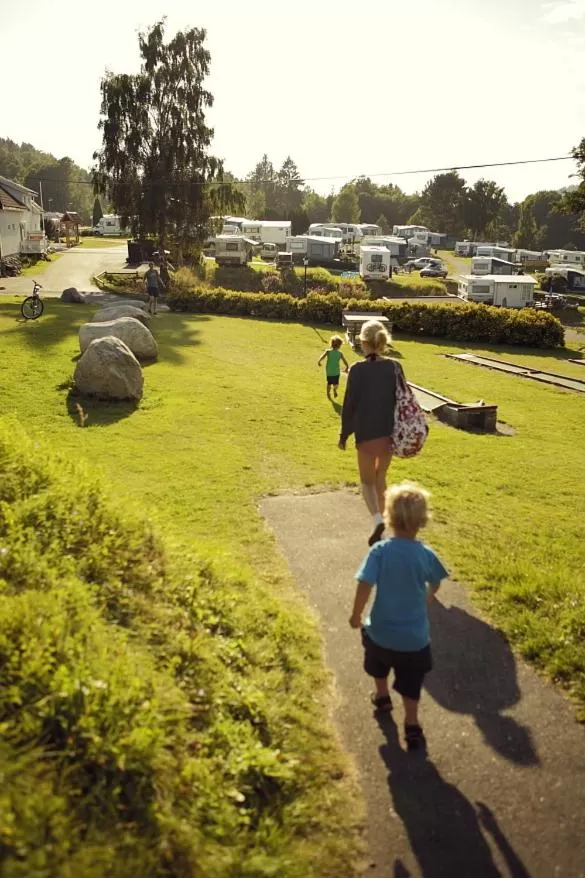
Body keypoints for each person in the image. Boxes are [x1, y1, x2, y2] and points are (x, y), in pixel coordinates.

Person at [349, 482, 448, 751]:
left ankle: (382, 697)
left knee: (378, 664)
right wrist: (429, 594)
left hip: (380, 632)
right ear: (422, 521)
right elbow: (437, 580)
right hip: (414, 641)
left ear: (389, 517)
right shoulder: (425, 555)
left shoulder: (380, 552)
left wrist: (357, 614)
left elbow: (364, 584)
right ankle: (412, 724)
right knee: (411, 682)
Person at [339, 319, 405, 546]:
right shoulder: (395, 367)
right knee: (380, 479)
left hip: (366, 434)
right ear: (383, 342)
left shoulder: (357, 370)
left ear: (364, 343)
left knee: (366, 482)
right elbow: (403, 399)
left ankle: (377, 520)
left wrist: (344, 435)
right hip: (388, 433)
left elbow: (350, 405)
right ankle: (388, 522)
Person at [318, 335, 349, 400]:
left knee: (329, 383)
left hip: (329, 371)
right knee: (336, 384)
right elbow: (345, 361)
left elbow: (322, 357)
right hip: (336, 371)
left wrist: (319, 361)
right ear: (339, 345)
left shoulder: (328, 351)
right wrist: (347, 367)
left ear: (331, 344)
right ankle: (334, 390)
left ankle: (328, 393)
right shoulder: (340, 353)